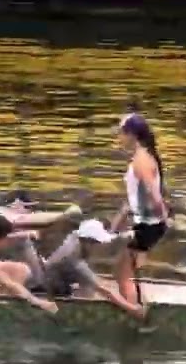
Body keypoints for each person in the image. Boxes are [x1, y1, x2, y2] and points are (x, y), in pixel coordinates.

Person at [20, 219, 145, 319]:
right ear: (88, 241)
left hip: (55, 275)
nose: (99, 246)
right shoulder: (74, 260)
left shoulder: (75, 237)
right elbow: (104, 289)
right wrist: (132, 309)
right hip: (51, 288)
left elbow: (113, 236)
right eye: (97, 243)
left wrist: (130, 234)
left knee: (90, 285)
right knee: (93, 287)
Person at [110, 113, 168, 306]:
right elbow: (133, 199)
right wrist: (116, 223)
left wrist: (163, 219)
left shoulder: (141, 160)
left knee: (124, 274)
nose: (119, 137)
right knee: (131, 271)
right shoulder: (143, 157)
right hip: (147, 225)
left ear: (132, 135)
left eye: (121, 133)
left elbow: (154, 195)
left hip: (147, 225)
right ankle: (139, 306)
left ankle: (136, 312)